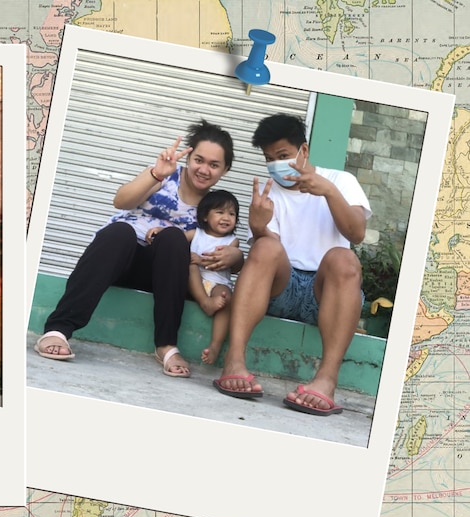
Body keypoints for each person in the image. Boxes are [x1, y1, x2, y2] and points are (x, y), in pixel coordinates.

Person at [34, 120, 242, 377]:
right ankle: (58, 330)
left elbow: (222, 250)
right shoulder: (163, 175)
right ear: (188, 156)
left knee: (174, 238)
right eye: (199, 160)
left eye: (214, 165)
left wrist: (238, 256)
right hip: (120, 259)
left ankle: (166, 346)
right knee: (120, 231)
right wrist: (157, 173)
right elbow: (120, 201)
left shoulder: (217, 207)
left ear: (225, 169)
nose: (204, 169)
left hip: (167, 274)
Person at [213, 113, 371, 416]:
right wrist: (258, 227)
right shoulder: (269, 193)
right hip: (280, 291)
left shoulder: (341, 181)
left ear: (305, 151)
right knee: (266, 245)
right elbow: (265, 256)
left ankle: (326, 380)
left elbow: (356, 233)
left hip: (326, 293)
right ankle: (234, 361)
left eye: (283, 156)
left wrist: (328, 191)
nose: (276, 165)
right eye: (269, 158)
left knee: (344, 258)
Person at [185, 189, 240, 365]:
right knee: (191, 265)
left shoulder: (232, 241)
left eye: (232, 214)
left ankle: (215, 346)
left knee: (227, 298)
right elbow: (176, 238)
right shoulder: (196, 234)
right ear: (205, 216)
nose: (226, 217)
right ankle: (205, 302)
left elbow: (224, 264)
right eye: (220, 212)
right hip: (195, 282)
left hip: (218, 282)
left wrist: (201, 259)